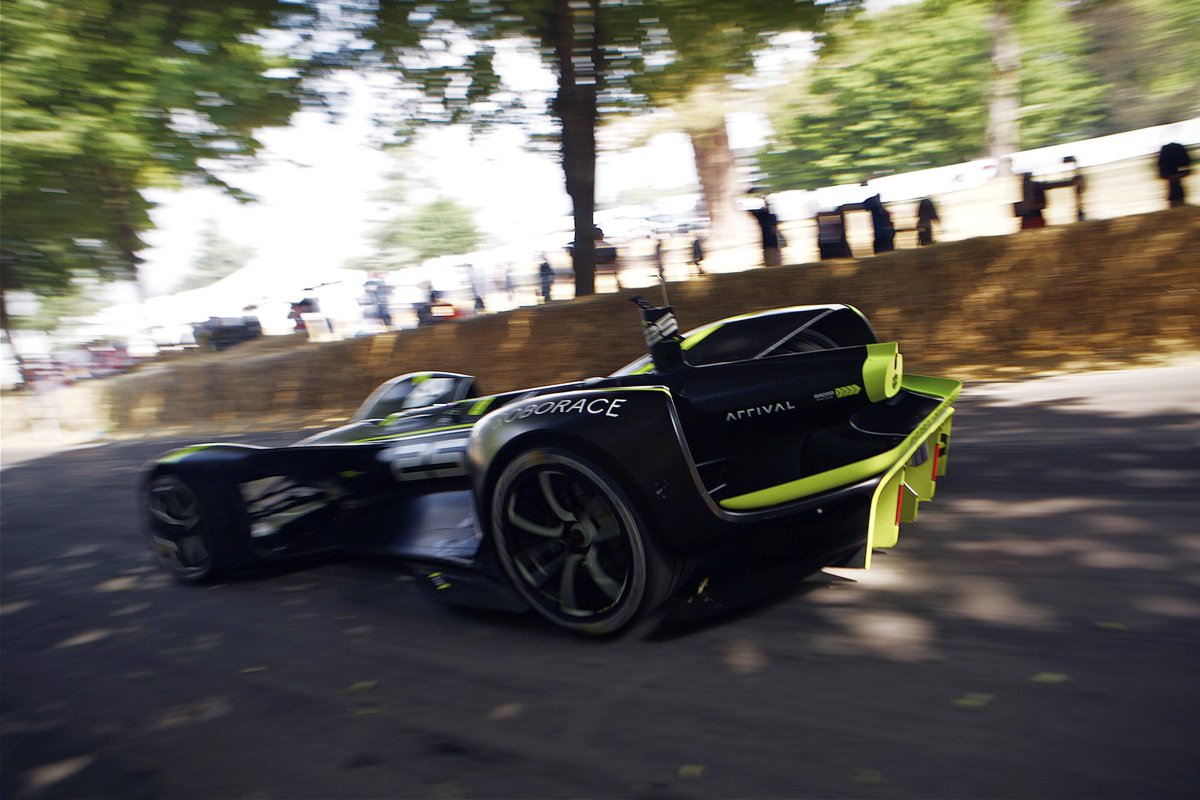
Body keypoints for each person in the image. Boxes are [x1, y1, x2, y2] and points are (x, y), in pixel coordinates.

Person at [747, 194, 782, 267]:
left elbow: (751, 212)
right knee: (775, 260)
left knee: (770, 260)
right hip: (773, 244)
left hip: (767, 243)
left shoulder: (762, 215)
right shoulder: (772, 216)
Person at [1157, 142, 1192, 208]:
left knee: (1175, 194)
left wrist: (1172, 177)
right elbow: (1187, 169)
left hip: (1174, 188)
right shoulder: (1179, 150)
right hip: (1177, 189)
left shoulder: (1165, 152)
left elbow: (1162, 173)